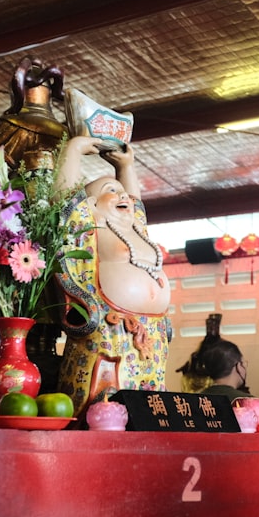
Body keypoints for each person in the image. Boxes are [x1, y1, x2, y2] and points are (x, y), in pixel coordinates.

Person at [53, 134, 172, 418]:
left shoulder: (135, 229)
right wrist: (74, 149)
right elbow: (66, 204)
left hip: (151, 336)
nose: (122, 197)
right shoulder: (90, 226)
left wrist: (126, 167)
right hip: (109, 329)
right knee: (108, 406)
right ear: (91, 205)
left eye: (122, 192)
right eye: (110, 191)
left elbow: (136, 205)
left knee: (149, 405)